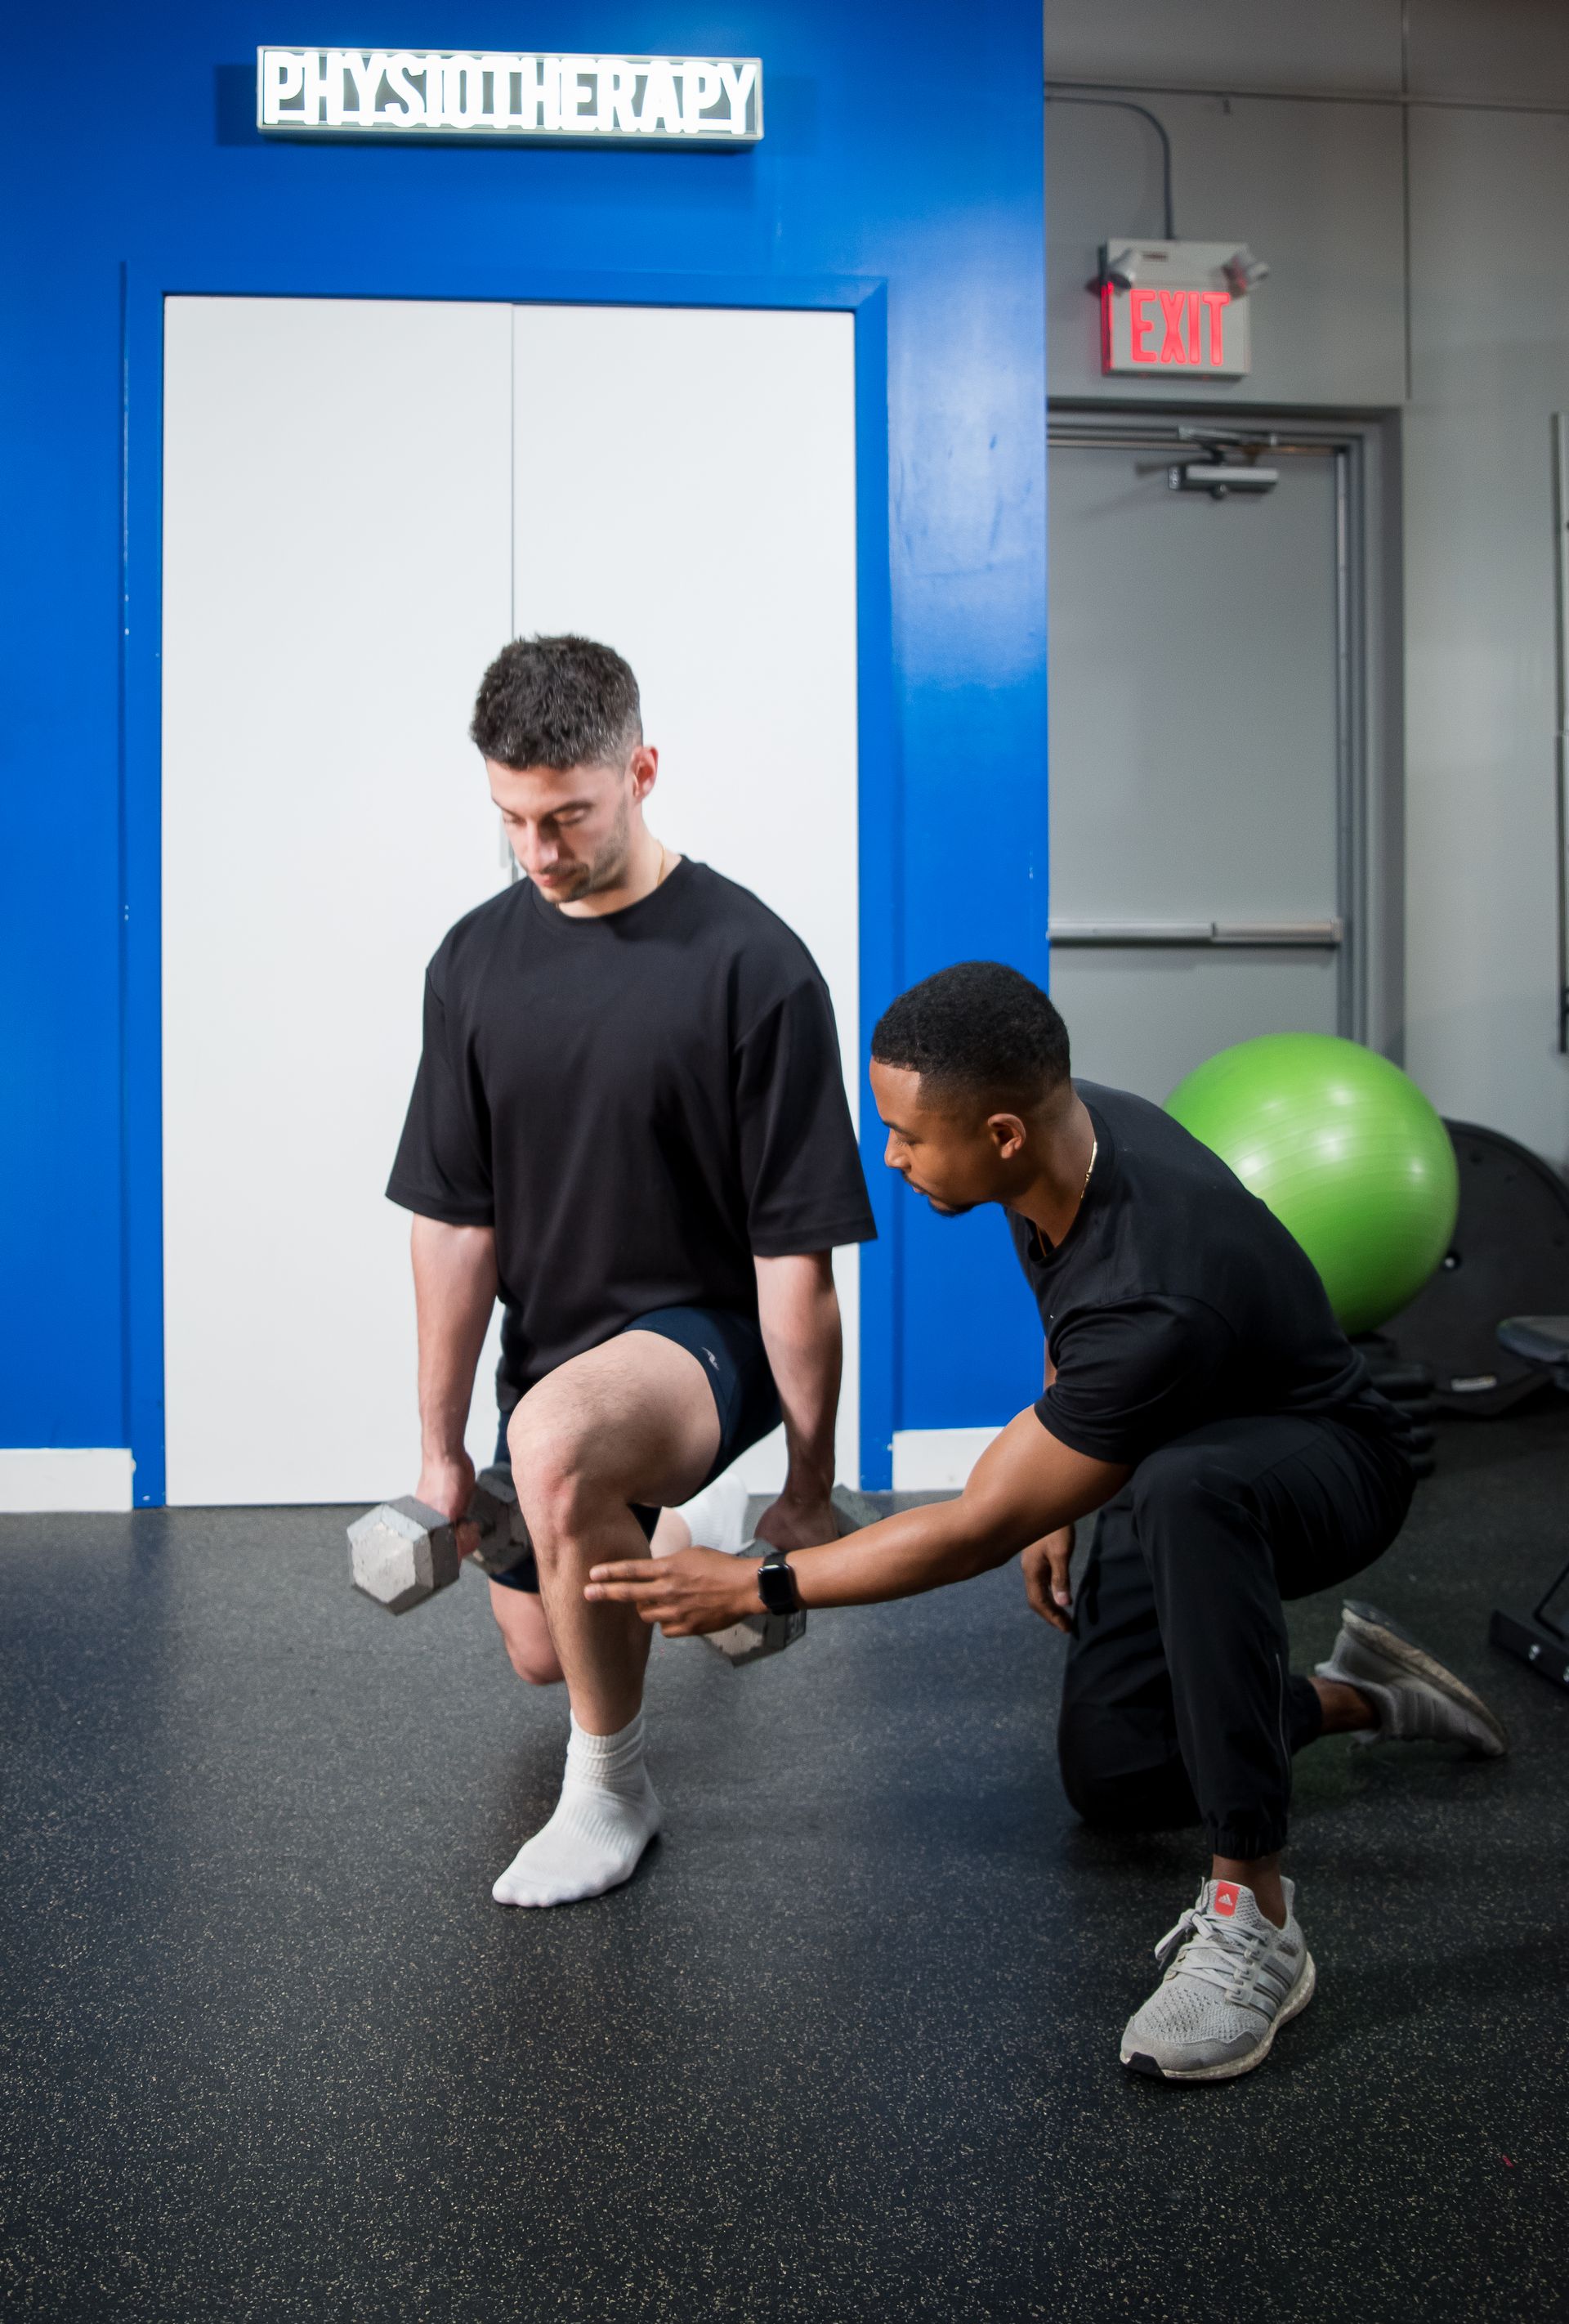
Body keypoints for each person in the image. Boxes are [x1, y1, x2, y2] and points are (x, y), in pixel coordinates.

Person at [588, 960, 1508, 2082]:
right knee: (1116, 1775)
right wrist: (1063, 1475)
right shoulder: (1071, 1144)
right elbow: (1078, 1318)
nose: (893, 1156)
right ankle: (1366, 1690)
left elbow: (974, 1522)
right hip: (1174, 1437)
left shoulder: (1158, 1279)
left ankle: (1257, 1916)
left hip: (1329, 1462)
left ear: (1006, 1130)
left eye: (908, 1136)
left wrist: (761, 1582)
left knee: (1181, 1493)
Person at [386, 634, 875, 1908]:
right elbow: (453, 1225)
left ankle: (612, 1791)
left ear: (643, 770)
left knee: (554, 1452)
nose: (539, 853)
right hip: (555, 1353)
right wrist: (440, 1452)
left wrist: (811, 1485)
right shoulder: (473, 963)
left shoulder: (753, 967)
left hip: (707, 1340)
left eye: (568, 817)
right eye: (512, 821)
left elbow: (796, 1256)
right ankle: (676, 1532)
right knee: (544, 1646)